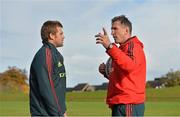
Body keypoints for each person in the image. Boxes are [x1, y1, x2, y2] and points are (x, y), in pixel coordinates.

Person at [95, 15, 146, 116]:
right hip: (120, 103)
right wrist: (106, 72)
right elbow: (123, 76)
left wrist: (110, 46)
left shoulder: (133, 46)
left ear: (126, 30)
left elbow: (130, 66)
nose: (112, 33)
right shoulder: (121, 50)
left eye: (115, 29)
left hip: (129, 103)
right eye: (111, 29)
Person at [29, 20, 67, 116]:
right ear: (51, 36)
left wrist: (63, 111)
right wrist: (57, 114)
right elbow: (47, 89)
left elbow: (58, 87)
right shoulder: (45, 55)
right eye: (61, 33)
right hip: (45, 114)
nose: (64, 36)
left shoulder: (57, 55)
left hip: (56, 113)